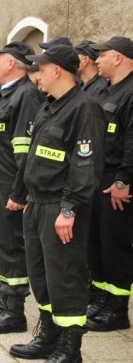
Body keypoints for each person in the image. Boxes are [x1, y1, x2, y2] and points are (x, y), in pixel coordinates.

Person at [10, 45, 104, 362]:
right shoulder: (49, 106)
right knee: (41, 275)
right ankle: (49, 335)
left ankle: (69, 347)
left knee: (65, 276)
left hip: (60, 206)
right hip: (37, 203)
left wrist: (69, 209)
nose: (36, 74)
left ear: (57, 70)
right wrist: (21, 195)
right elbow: (34, 156)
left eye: (41, 68)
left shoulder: (84, 108)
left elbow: (85, 165)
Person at [0, 41, 43, 334]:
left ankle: (14, 312)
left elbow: (24, 152)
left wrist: (18, 192)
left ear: (12, 63)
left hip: (9, 184)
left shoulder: (25, 96)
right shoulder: (6, 94)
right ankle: (2, 302)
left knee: (11, 247)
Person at [85, 36, 133, 332]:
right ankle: (101, 299)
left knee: (115, 247)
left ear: (119, 58)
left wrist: (124, 180)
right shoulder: (106, 90)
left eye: (102, 55)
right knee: (97, 244)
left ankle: (117, 310)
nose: (97, 60)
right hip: (97, 177)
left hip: (116, 180)